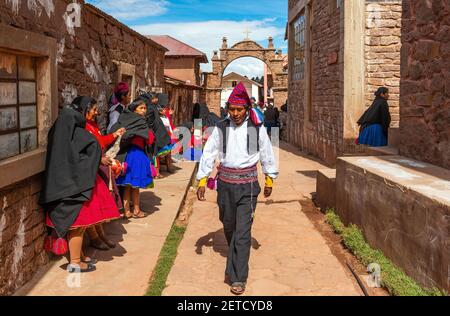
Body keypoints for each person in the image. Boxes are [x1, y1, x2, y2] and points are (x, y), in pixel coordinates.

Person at [196, 82, 278, 295]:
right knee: (229, 226)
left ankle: (238, 277)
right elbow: (209, 152)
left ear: (247, 109)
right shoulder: (221, 128)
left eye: (239, 110)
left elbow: (267, 153)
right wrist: (202, 179)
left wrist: (270, 178)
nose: (235, 113)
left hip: (248, 186)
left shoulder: (256, 129)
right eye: (231, 109)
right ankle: (235, 261)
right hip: (225, 186)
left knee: (243, 233)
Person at [40, 96, 122, 273]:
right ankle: (75, 263)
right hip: (75, 190)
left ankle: (80, 256)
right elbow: (87, 156)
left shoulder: (59, 136)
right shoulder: (77, 135)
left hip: (60, 189)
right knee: (77, 227)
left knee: (74, 228)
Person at [82, 97, 127, 251]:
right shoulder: (81, 127)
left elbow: (100, 141)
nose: (96, 112)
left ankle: (101, 234)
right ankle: (94, 237)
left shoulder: (92, 125)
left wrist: (114, 135)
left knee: (99, 203)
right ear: (85, 110)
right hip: (89, 170)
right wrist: (99, 159)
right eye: (94, 110)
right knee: (91, 205)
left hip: (98, 167)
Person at [112, 99, 155, 219]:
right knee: (135, 187)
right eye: (141, 108)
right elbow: (149, 139)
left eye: (145, 108)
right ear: (134, 109)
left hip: (127, 155)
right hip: (137, 155)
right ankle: (136, 209)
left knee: (127, 185)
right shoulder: (141, 122)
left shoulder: (126, 120)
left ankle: (126, 211)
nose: (144, 110)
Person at [138, 93, 172, 179]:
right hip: (153, 134)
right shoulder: (150, 108)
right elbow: (150, 122)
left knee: (153, 153)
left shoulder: (151, 107)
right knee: (153, 153)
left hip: (154, 133)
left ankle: (156, 172)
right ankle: (156, 173)